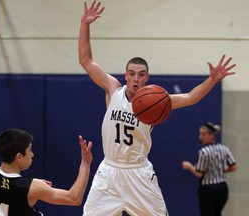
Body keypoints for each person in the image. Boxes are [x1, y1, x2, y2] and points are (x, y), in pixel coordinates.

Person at [78, 1, 236, 215]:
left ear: (147, 78)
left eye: (141, 74)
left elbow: (190, 97)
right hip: (109, 172)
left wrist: (211, 80)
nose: (135, 78)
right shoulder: (113, 89)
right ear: (125, 76)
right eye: (131, 73)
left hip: (138, 173)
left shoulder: (157, 100)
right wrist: (84, 24)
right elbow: (86, 61)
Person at [0, 128, 93, 216]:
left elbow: (3, 187)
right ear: (19, 157)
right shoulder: (33, 187)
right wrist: (85, 164)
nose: (32, 154)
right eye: (30, 150)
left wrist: (32, 186)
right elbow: (74, 198)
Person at [182, 122, 237, 216]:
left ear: (212, 135)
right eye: (200, 134)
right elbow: (234, 167)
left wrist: (189, 166)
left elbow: (199, 174)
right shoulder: (224, 149)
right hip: (222, 188)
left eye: (203, 134)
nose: (201, 137)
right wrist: (221, 170)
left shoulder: (203, 152)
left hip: (208, 189)